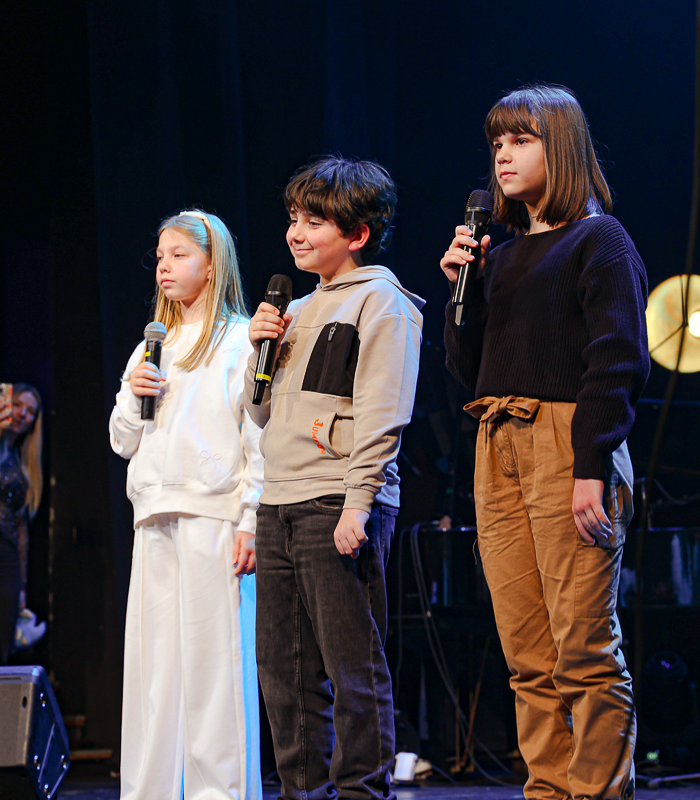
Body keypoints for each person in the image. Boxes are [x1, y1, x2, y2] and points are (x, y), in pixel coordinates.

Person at [440, 84, 650, 800]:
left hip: (568, 441)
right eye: (497, 142)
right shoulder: (497, 258)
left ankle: (596, 793)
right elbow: (469, 370)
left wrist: (591, 463)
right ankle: (548, 791)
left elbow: (617, 360)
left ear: (559, 147)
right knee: (527, 656)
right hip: (496, 440)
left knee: (582, 649)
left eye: (521, 139)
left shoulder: (600, 240)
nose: (503, 154)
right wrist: (461, 292)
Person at [246, 156, 423, 800]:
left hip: (337, 500)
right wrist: (259, 352)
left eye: (313, 221)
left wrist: (359, 502)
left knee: (352, 668)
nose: (295, 233)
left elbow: (383, 410)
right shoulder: (296, 308)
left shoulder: (382, 302)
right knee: (284, 673)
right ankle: (302, 792)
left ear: (358, 233)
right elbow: (261, 413)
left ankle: (361, 792)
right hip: (280, 500)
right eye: (294, 218)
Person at [109, 209, 265, 800]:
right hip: (154, 516)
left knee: (214, 672)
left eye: (179, 255)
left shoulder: (240, 340)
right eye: (160, 256)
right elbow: (122, 440)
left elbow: (259, 436)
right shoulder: (151, 346)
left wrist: (251, 518)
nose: (164, 267)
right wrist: (133, 394)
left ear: (212, 264)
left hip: (213, 516)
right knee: (153, 675)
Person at [0, 382, 43, 665]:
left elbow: (22, 527)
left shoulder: (24, 462)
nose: (23, 414)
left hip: (6, 555)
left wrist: (22, 586)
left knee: (2, 637)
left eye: (30, 411)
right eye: (17, 405)